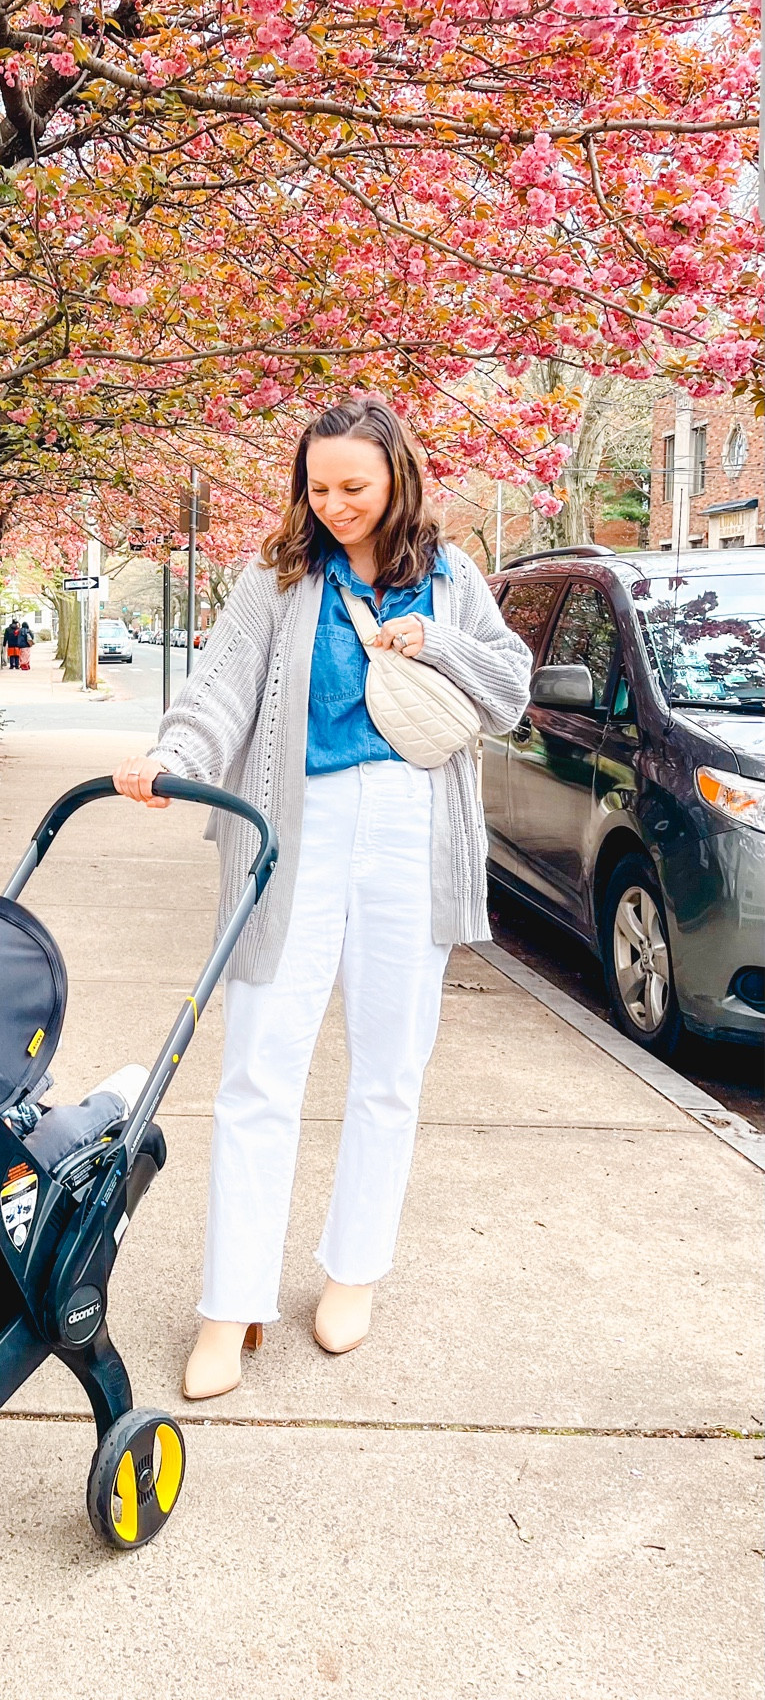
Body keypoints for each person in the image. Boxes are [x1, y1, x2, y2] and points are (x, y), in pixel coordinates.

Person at [114, 398, 531, 1401]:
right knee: (260, 1068)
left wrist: (433, 641)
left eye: (355, 486)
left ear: (397, 479)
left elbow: (508, 688)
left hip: (409, 828)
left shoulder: (450, 573)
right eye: (318, 485)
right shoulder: (278, 574)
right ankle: (232, 1301)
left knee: (388, 1067)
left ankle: (352, 1272)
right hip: (293, 827)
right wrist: (172, 756)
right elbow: (221, 686)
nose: (334, 504)